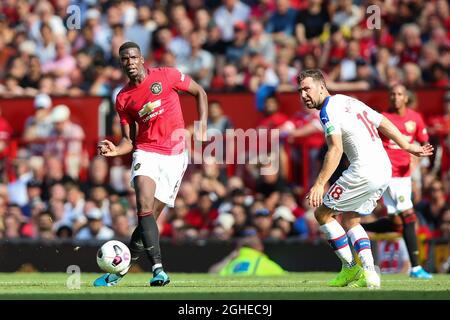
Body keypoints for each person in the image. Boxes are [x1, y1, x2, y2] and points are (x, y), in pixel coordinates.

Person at [298, 69, 433, 288]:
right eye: (300, 90)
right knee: (351, 218)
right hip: (383, 169)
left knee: (322, 213)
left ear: (322, 86)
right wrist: (408, 145)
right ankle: (370, 275)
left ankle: (350, 269)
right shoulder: (348, 100)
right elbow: (382, 121)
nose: (303, 95)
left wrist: (319, 184)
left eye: (307, 88)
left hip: (363, 170)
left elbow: (335, 150)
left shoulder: (327, 112)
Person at [95, 42, 208, 287]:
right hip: (146, 152)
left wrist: (202, 124)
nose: (130, 62)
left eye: (133, 57)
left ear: (142, 58)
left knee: (150, 219)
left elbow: (200, 92)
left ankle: (119, 271)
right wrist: (115, 150)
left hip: (175, 156)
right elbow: (128, 140)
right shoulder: (123, 98)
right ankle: (158, 269)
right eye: (125, 59)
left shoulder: (166, 75)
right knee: (143, 206)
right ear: (122, 63)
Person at [361, 84, 433, 279]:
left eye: (399, 94)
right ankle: (416, 268)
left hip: (405, 175)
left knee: (397, 223)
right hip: (388, 173)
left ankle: (358, 226)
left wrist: (416, 166)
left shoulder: (415, 118)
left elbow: (424, 144)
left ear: (406, 98)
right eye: (392, 94)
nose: (395, 97)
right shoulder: (383, 118)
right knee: (409, 216)